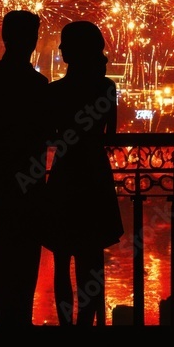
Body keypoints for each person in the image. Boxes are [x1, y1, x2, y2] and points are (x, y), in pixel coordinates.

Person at [40, 21, 124, 326]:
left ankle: (66, 330)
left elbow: (48, 134)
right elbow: (111, 136)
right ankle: (87, 329)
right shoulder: (106, 88)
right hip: (95, 175)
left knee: (62, 259)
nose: (59, 50)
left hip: (65, 174)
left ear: (70, 52)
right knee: (93, 261)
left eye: (63, 46)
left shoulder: (54, 92)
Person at [0, 10, 49, 327]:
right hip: (30, 181)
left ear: (5, 36)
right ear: (32, 40)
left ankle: (3, 325)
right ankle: (22, 325)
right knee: (27, 257)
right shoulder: (39, 85)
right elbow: (46, 132)